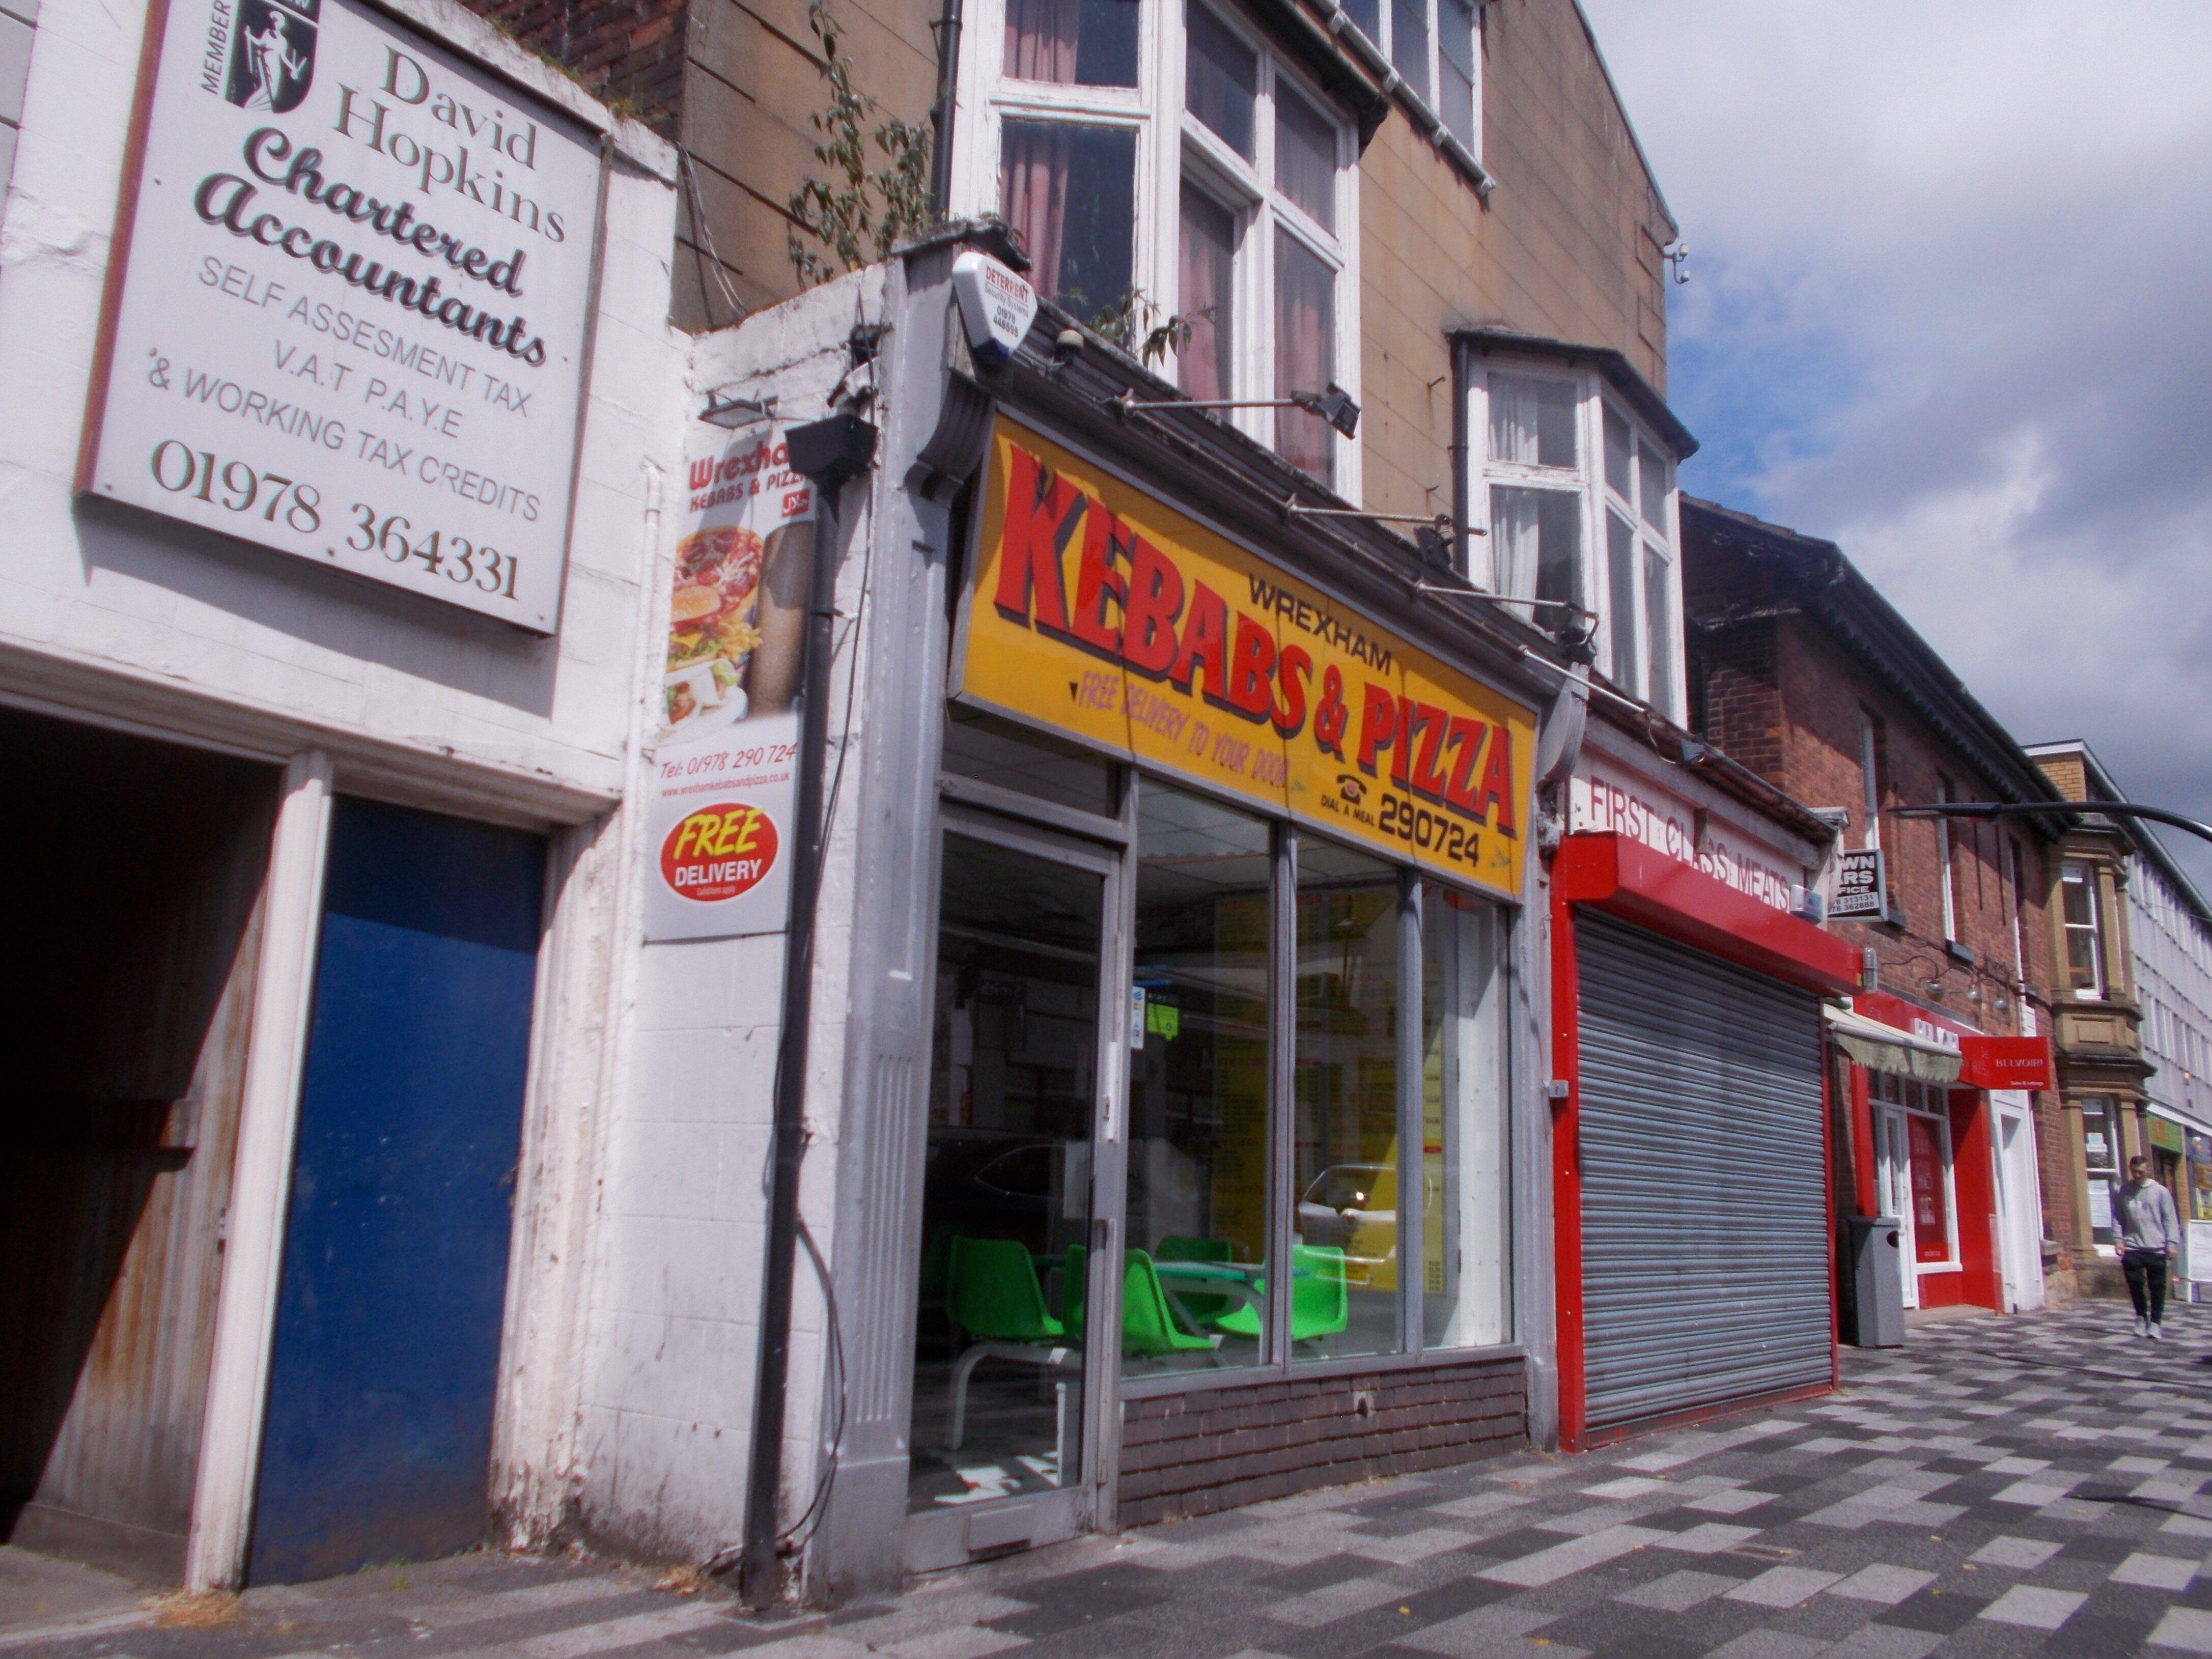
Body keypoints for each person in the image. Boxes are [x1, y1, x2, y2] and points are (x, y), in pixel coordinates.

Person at [2117, 1156, 2181, 1339]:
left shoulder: (2160, 1192)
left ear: (2147, 1171)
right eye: (2134, 1172)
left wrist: (2172, 1243)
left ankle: (2155, 1323)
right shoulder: (2124, 1191)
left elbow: (2170, 1218)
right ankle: (2140, 1317)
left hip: (2156, 1247)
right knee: (2136, 1284)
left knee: (2157, 1287)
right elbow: (2119, 1217)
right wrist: (2118, 1239)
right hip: (2133, 1246)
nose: (2137, 1176)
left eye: (2141, 1172)